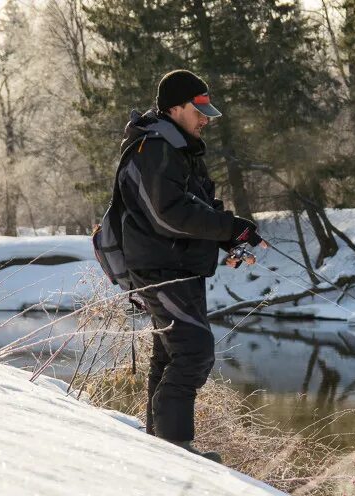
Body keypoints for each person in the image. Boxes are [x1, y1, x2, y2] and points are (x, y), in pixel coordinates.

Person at [116, 69, 265, 462]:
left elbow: (198, 208)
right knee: (195, 351)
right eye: (199, 111)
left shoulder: (179, 148)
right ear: (175, 108)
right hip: (161, 269)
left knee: (170, 354)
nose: (206, 119)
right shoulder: (156, 149)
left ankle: (158, 442)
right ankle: (174, 447)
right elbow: (168, 214)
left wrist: (233, 234)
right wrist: (228, 227)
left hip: (179, 267)